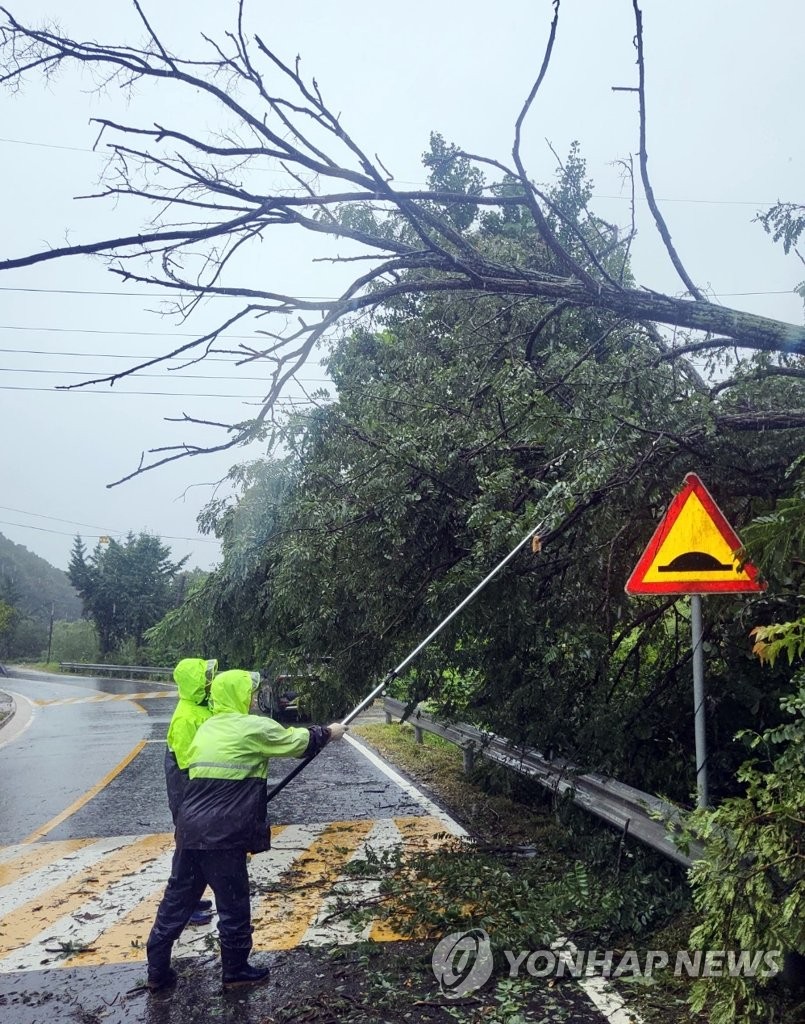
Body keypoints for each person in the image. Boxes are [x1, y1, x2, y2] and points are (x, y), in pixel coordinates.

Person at [146, 668, 347, 992]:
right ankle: (236, 971)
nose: (253, 698)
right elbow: (297, 742)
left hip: (190, 831)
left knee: (177, 900)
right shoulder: (252, 727)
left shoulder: (207, 728)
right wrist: (329, 732)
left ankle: (156, 971)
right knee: (233, 904)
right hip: (223, 836)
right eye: (249, 693)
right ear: (239, 696)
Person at [165, 657, 218, 926]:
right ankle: (183, 907)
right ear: (194, 682)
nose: (210, 681)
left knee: (195, 846)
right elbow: (190, 763)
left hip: (193, 785)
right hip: (186, 786)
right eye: (205, 677)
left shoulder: (199, 706)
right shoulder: (186, 717)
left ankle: (192, 899)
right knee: (188, 847)